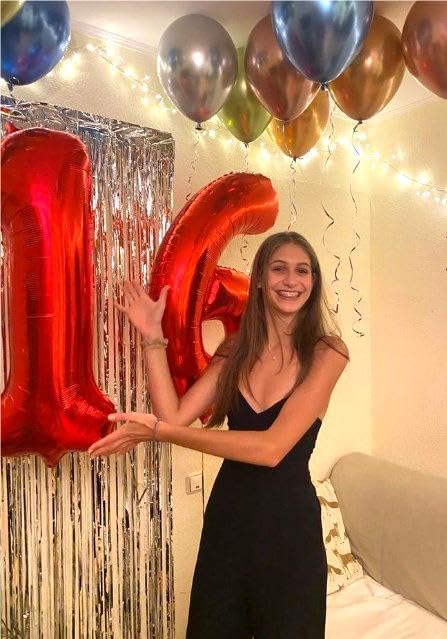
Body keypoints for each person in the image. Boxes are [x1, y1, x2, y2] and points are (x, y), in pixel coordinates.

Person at [89, 231, 349, 638]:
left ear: (313, 282)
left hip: (289, 530)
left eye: (302, 271)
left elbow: (272, 448)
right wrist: (152, 336)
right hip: (228, 522)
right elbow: (174, 415)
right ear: (259, 278)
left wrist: (159, 433)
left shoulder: (327, 352)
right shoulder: (235, 351)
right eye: (278, 269)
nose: (291, 281)